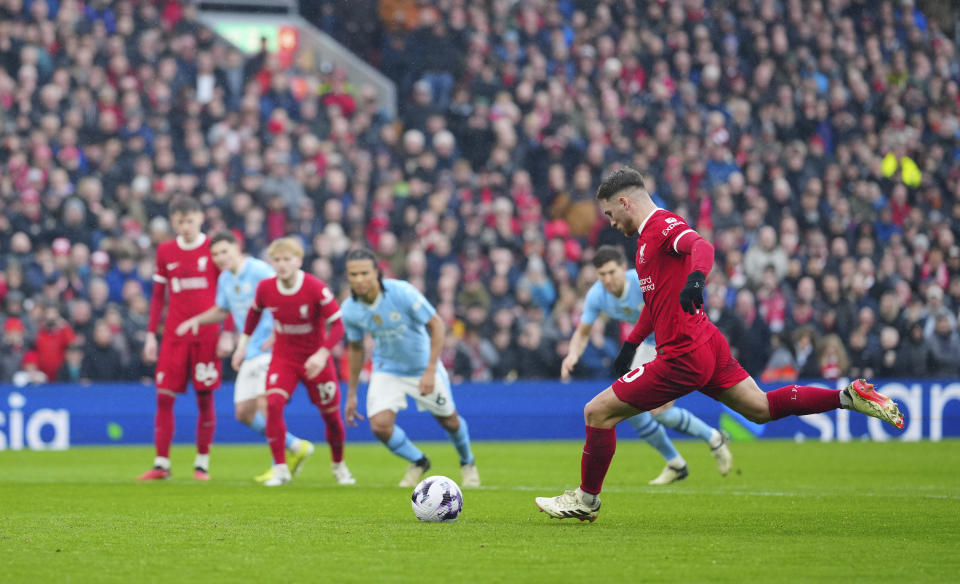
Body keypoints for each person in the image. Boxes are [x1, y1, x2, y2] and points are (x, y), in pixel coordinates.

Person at [536, 168, 904, 521]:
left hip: (683, 354)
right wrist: (630, 345)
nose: (611, 222)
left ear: (624, 201)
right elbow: (655, 303)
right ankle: (847, 397)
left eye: (610, 213)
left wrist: (696, 279)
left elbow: (701, 246)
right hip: (706, 343)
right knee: (760, 407)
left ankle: (586, 500)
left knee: (596, 412)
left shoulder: (662, 226)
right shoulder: (646, 242)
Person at [560, 245, 733, 485]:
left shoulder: (642, 281)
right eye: (602, 275)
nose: (608, 280)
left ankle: (713, 438)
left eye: (612, 272)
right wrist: (571, 355)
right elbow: (582, 332)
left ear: (623, 268)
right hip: (647, 345)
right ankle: (676, 462)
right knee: (630, 408)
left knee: (658, 412)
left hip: (675, 338)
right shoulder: (597, 296)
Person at [175, 231, 323, 483]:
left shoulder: (260, 271)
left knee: (267, 405)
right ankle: (296, 447)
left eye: (224, 251)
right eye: (215, 254)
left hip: (272, 347)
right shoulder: (224, 279)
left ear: (237, 248)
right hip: (250, 349)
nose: (220, 257)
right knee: (243, 413)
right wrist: (196, 320)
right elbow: (222, 310)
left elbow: (286, 296)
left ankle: (279, 468)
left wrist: (278, 335)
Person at [341, 248, 480, 488]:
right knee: (380, 426)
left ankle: (467, 462)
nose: (359, 279)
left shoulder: (402, 292)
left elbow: (437, 325)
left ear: (377, 273)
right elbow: (355, 349)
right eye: (353, 274)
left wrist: (429, 370)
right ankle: (419, 461)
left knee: (450, 421)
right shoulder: (350, 309)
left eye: (364, 273)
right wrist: (351, 394)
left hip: (422, 367)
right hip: (388, 369)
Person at [233, 238, 353, 487]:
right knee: (273, 403)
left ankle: (339, 465)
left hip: (315, 360)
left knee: (331, 417)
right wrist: (242, 346)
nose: (282, 264)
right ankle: (280, 468)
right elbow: (253, 316)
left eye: (288, 259)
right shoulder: (266, 288)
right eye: (277, 260)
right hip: (284, 358)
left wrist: (322, 354)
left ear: (298, 261)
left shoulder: (315, 287)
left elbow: (338, 326)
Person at [138, 197, 233, 482]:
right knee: (164, 397)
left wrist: (226, 331)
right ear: (173, 222)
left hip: (206, 336)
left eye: (190, 220)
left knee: (205, 398)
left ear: (200, 218)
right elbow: (158, 297)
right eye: (180, 222)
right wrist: (150, 335)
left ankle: (202, 464)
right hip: (174, 336)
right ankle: (161, 463)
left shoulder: (213, 250)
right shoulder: (165, 251)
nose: (186, 226)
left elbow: (227, 293)